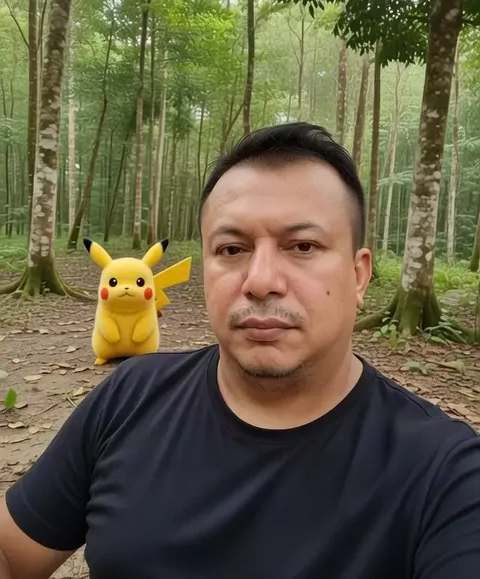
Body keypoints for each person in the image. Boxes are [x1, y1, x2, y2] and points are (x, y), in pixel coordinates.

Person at [1, 122, 479, 579]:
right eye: (232, 250)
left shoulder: (445, 472)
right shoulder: (131, 396)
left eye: (303, 246)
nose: (261, 281)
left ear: (358, 275)